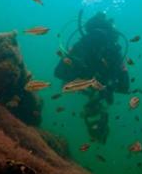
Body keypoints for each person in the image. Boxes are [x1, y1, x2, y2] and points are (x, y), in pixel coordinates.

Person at [55, 12, 129, 143]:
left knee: (98, 98)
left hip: (96, 87)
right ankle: (96, 114)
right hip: (90, 85)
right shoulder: (110, 51)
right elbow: (124, 86)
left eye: (101, 37)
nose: (98, 40)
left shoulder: (88, 45)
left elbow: (59, 72)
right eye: (95, 37)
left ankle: (96, 114)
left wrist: (107, 89)